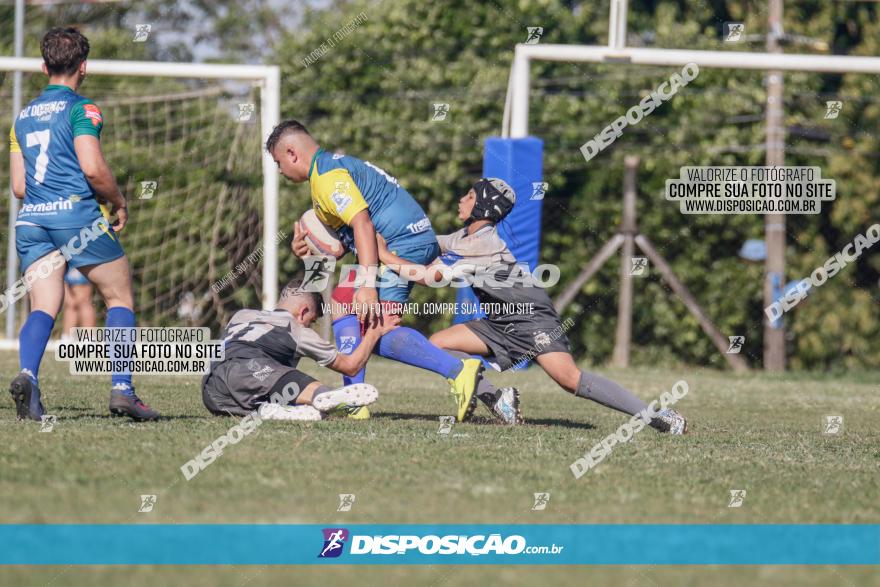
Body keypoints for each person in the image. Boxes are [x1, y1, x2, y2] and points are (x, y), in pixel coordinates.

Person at [377, 178, 688, 433]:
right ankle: (499, 401)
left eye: (469, 195)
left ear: (484, 206)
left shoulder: (481, 244)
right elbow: (427, 245)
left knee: (570, 380)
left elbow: (430, 277)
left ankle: (658, 416)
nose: (461, 199)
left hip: (531, 319)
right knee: (439, 345)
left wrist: (383, 255)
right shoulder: (465, 235)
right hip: (499, 321)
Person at [266, 119, 509, 423]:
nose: (279, 170)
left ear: (291, 153)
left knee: (377, 328)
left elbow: (363, 225)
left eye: (278, 162)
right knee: (344, 305)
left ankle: (460, 371)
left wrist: (367, 284)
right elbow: (340, 247)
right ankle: (356, 401)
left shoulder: (328, 178)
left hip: (402, 244)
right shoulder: (325, 175)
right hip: (397, 242)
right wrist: (305, 251)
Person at [8, 27, 157, 421]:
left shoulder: (20, 119)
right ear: (83, 67)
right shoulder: (82, 109)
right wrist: (118, 200)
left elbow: (19, 186)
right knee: (119, 297)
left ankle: (28, 376)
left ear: (43, 67)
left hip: (31, 221)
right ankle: (123, 389)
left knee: (44, 306)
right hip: (77, 218)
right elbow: (92, 167)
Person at [202, 278, 399, 421]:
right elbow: (351, 366)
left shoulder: (242, 314)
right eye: (311, 321)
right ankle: (324, 396)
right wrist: (375, 332)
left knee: (263, 393)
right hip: (250, 367)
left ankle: (276, 411)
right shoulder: (297, 331)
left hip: (211, 389)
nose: (310, 326)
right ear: (303, 312)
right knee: (311, 389)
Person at [61, 267, 96, 339]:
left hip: (80, 262)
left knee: (84, 303)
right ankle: (67, 336)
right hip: (69, 263)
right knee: (70, 305)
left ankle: (89, 337)